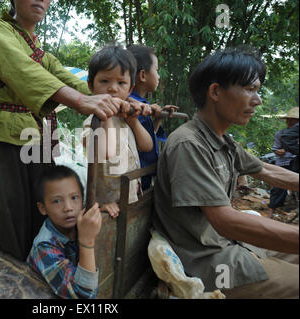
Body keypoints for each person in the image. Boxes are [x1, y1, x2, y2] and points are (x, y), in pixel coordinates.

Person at [0, 0, 126, 261]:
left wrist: (126, 104)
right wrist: (81, 102)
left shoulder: (42, 54)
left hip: (36, 137)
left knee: (47, 208)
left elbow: (73, 81)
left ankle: (47, 263)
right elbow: (24, 71)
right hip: (1, 136)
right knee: (10, 214)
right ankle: (12, 272)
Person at [152, 48, 299, 299]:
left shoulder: (222, 140)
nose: (258, 99)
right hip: (210, 262)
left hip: (230, 245)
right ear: (216, 92)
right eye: (250, 89)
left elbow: (267, 171)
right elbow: (225, 221)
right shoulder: (189, 144)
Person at [82, 45, 153, 208]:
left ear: (130, 89)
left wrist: (134, 122)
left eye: (121, 83)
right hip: (107, 204)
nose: (113, 88)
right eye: (105, 81)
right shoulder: (93, 121)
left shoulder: (125, 118)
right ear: (91, 85)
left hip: (131, 196)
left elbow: (146, 146)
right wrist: (105, 113)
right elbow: (107, 152)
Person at [27, 165, 105, 299]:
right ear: (43, 208)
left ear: (83, 199)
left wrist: (103, 210)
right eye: (57, 201)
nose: (68, 208)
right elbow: (83, 296)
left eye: (74, 198)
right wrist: (87, 242)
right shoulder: (44, 246)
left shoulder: (77, 220)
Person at [127, 45, 178, 190]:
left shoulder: (144, 105)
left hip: (144, 177)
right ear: (143, 75)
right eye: (156, 70)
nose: (159, 76)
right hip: (134, 180)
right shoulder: (129, 106)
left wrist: (158, 118)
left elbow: (145, 135)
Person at [268, 107, 299, 217]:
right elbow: (276, 148)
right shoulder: (280, 134)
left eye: (292, 120)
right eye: (288, 119)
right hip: (283, 163)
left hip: (295, 163)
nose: (289, 122)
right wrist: (279, 152)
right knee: (278, 186)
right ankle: (271, 211)